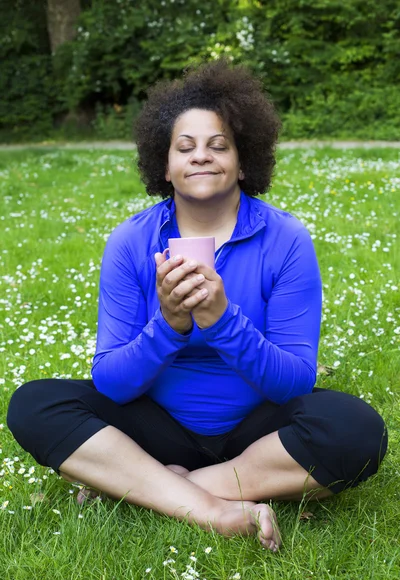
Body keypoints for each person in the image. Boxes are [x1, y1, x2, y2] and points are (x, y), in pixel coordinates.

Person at [7, 59, 387, 552]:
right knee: (35, 404)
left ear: (244, 160)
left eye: (219, 145)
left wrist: (223, 321)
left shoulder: (287, 238)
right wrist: (169, 324)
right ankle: (209, 508)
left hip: (257, 434)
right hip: (155, 426)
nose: (201, 157)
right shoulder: (130, 242)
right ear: (163, 166)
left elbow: (295, 381)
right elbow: (113, 384)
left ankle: (158, 488)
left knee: (357, 432)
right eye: (184, 148)